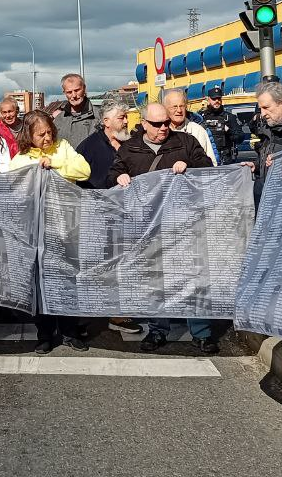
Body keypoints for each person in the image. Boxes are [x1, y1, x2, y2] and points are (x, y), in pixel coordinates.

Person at [109, 102, 216, 354]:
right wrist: (118, 177)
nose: (163, 128)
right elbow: (111, 175)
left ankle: (202, 332)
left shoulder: (186, 142)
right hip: (148, 227)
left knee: (192, 278)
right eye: (157, 124)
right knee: (155, 279)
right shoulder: (129, 149)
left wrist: (189, 167)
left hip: (184, 224)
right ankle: (158, 330)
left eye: (166, 122)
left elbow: (208, 169)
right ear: (144, 124)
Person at [8, 110, 91, 353]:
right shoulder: (21, 158)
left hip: (66, 227)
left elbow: (84, 170)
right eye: (40, 134)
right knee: (40, 283)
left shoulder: (63, 147)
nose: (46, 138)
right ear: (29, 136)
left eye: (49, 132)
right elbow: (12, 188)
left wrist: (54, 164)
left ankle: (69, 331)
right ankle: (44, 333)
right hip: (36, 231)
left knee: (67, 279)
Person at [74, 102, 143, 337]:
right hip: (95, 215)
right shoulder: (89, 146)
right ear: (106, 122)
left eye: (125, 117)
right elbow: (74, 176)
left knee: (121, 265)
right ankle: (88, 315)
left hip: (126, 214)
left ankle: (117, 314)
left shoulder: (132, 143)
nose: (126, 121)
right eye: (122, 117)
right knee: (95, 266)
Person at [250, 81, 282, 203]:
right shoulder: (269, 127)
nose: (263, 114)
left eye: (266, 108)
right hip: (266, 199)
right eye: (261, 109)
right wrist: (257, 165)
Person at [162, 88, 219, 164]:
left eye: (182, 106)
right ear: (165, 109)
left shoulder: (198, 131)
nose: (179, 110)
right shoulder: (160, 131)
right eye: (175, 107)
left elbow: (211, 163)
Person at [199, 86, 243, 165]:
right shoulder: (201, 117)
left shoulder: (229, 117)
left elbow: (240, 138)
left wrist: (228, 131)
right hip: (206, 158)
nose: (217, 101)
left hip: (225, 159)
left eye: (219, 99)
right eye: (214, 99)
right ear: (208, 100)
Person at [54, 74, 99, 149]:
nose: (74, 95)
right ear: (64, 93)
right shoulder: (58, 120)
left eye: (77, 90)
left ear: (84, 88)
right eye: (69, 92)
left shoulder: (99, 116)